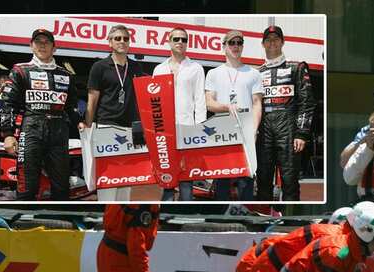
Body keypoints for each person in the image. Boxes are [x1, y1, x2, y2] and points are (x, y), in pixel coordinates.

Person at [0, 28, 84, 200]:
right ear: (31, 46)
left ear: (54, 48)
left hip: (59, 132)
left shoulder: (66, 74)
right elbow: (7, 104)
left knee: (61, 186)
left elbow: (72, 107)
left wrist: (82, 124)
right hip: (31, 130)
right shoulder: (20, 70)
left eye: (47, 42)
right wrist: (7, 135)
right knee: (26, 183)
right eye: (38, 42)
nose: (42, 45)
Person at [84, 24, 147, 201]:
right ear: (110, 43)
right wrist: (88, 125)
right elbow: (92, 98)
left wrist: (140, 128)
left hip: (130, 128)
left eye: (125, 39)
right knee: (108, 177)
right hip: (106, 126)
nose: (122, 41)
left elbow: (141, 99)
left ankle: (122, 215)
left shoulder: (136, 67)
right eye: (117, 38)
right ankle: (106, 213)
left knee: (126, 178)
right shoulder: (100, 67)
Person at [256, 25, 316, 201]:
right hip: (264, 130)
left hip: (288, 129)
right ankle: (263, 220)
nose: (272, 43)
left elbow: (307, 102)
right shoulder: (257, 73)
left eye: (276, 39)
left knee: (290, 180)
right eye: (268, 40)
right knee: (263, 178)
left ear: (282, 42)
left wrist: (301, 133)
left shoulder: (296, 68)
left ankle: (290, 220)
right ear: (263, 44)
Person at [205, 29, 263, 201]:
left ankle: (244, 215)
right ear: (224, 46)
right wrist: (225, 106)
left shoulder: (253, 73)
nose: (236, 46)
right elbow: (209, 103)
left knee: (246, 179)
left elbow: (257, 103)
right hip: (222, 130)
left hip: (246, 130)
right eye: (232, 43)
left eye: (239, 43)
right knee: (222, 180)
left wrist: (254, 129)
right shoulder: (213, 73)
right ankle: (220, 216)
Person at [153, 27, 206, 201]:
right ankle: (166, 217)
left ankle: (187, 211)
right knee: (166, 178)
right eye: (176, 39)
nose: (180, 42)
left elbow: (200, 100)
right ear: (169, 42)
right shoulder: (159, 69)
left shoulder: (196, 68)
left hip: (187, 128)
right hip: (164, 130)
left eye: (184, 40)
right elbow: (153, 102)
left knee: (186, 180)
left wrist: (200, 128)